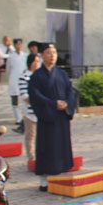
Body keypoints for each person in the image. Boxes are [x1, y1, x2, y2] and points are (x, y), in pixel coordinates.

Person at [29, 43, 76, 191]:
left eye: (54, 52)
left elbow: (70, 92)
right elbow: (35, 96)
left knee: (61, 146)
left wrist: (67, 104)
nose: (52, 55)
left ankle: (60, 178)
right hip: (48, 117)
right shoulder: (37, 76)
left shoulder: (62, 74)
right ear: (41, 55)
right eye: (48, 52)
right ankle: (44, 181)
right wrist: (52, 104)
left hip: (62, 116)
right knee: (47, 147)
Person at [19, 53, 40, 162]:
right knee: (30, 135)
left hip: (41, 111)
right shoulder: (24, 76)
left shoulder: (40, 75)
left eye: (38, 61)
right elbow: (24, 95)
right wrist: (37, 102)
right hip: (30, 111)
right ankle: (31, 157)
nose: (36, 64)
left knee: (41, 136)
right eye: (34, 61)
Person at [6, 39, 27, 134]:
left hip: (24, 80)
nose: (19, 46)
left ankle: (23, 119)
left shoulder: (25, 56)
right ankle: (18, 119)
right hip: (14, 80)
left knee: (24, 100)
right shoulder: (11, 57)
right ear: (14, 45)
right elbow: (8, 70)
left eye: (20, 44)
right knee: (15, 101)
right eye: (17, 44)